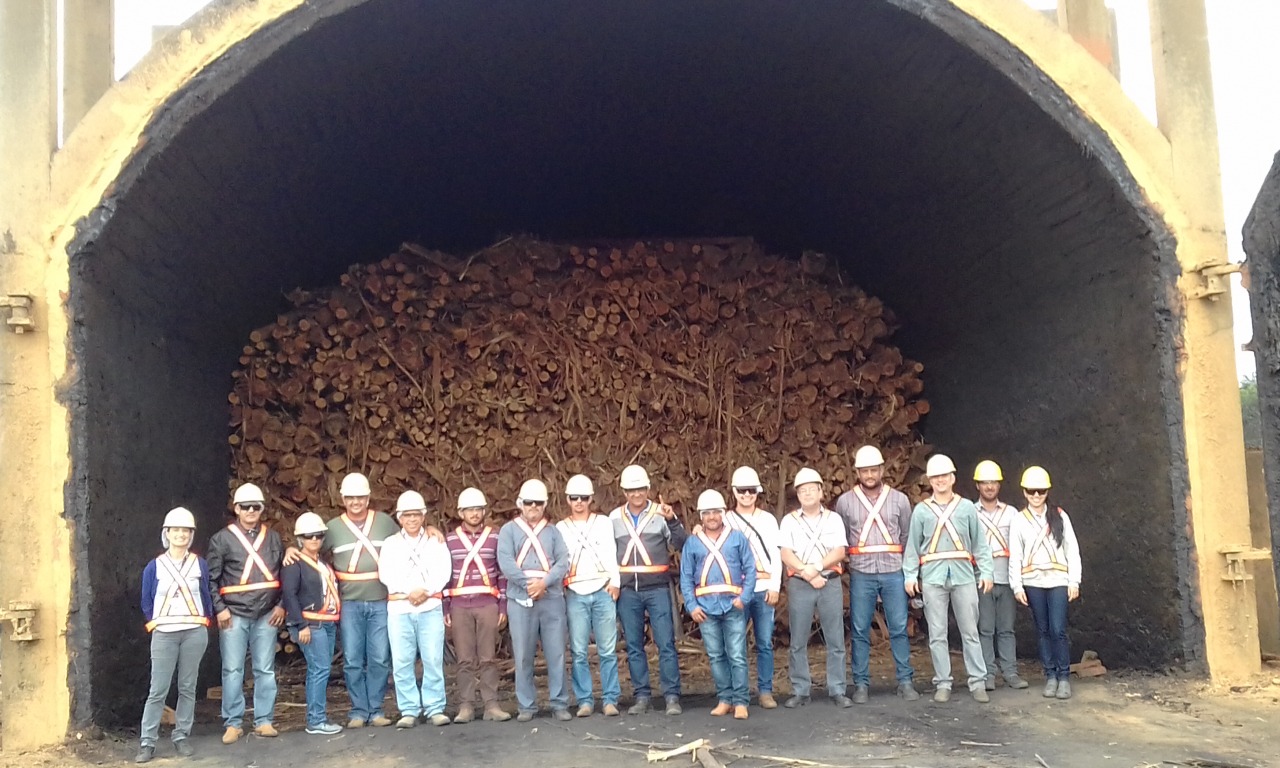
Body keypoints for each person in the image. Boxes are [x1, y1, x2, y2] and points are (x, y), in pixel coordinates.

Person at [903, 455, 994, 703]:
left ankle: (977, 681)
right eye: (935, 477)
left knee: (970, 632)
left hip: (964, 575)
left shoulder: (967, 508)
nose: (940, 480)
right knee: (937, 633)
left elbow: (980, 545)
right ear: (930, 480)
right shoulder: (921, 511)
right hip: (932, 576)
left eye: (944, 476)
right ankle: (943, 682)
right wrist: (910, 575)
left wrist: (986, 571)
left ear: (952, 478)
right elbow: (912, 546)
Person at [834, 445, 919, 703]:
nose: (870, 475)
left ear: (882, 470)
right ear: (858, 472)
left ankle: (905, 681)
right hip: (862, 572)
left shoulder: (900, 500)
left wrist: (906, 567)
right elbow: (843, 535)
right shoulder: (845, 502)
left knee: (898, 627)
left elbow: (906, 535)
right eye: (865, 471)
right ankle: (861, 684)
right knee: (859, 629)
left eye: (874, 470)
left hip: (893, 570)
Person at [206, 483, 284, 743]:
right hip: (234, 613)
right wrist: (220, 609)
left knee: (265, 669)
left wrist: (280, 605)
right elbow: (212, 579)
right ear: (236, 509)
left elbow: (284, 575)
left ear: (261, 509)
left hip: (267, 613)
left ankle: (264, 721)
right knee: (232, 670)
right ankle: (233, 722)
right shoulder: (221, 539)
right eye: (245, 506)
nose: (251, 510)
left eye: (256, 506)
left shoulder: (273, 537)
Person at [136, 507, 213, 764]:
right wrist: (155, 623)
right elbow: (146, 598)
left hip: (193, 631)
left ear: (190, 535)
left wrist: (205, 621)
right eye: (175, 530)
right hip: (165, 633)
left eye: (185, 531)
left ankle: (181, 736)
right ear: (166, 534)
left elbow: (205, 594)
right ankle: (147, 742)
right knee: (158, 689)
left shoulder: (198, 563)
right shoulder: (154, 566)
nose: (180, 535)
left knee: (187, 687)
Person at [609, 464, 688, 715]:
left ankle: (672, 696)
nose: (636, 495)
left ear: (647, 489)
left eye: (640, 489)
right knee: (634, 645)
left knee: (665, 643)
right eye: (631, 490)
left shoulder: (660, 513)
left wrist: (672, 520)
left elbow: (680, 544)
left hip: (657, 588)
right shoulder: (613, 518)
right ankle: (642, 696)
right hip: (628, 590)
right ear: (624, 492)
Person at [324, 472, 400, 728]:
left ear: (368, 498)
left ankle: (376, 709)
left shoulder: (386, 523)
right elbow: (312, 552)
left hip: (380, 600)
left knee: (379, 657)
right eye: (350, 497)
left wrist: (431, 529)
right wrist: (292, 549)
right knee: (353, 659)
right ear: (343, 499)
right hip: (349, 603)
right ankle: (358, 710)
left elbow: (408, 541)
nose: (356, 502)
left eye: (360, 497)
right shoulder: (332, 528)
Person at [497, 479, 572, 722]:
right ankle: (526, 706)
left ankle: (559, 703)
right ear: (520, 503)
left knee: (556, 653)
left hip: (551, 597)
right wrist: (527, 585)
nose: (533, 507)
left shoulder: (553, 532)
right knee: (522, 655)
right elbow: (505, 561)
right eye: (528, 502)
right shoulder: (508, 530)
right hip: (520, 599)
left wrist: (545, 583)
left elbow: (563, 561)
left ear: (544, 505)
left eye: (538, 503)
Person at [778, 467, 852, 708]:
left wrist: (817, 567)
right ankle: (801, 690)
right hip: (801, 584)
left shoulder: (834, 519)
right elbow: (786, 553)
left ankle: (837, 689)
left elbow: (840, 551)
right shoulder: (789, 521)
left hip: (829, 582)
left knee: (835, 640)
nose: (807, 493)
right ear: (797, 494)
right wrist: (808, 574)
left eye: (812, 489)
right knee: (798, 640)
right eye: (802, 490)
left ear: (821, 491)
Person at [379, 491, 453, 728]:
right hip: (400, 608)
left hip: (429, 606)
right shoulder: (391, 544)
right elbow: (385, 573)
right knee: (402, 660)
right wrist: (408, 591)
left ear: (423, 516)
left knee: (432, 658)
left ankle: (434, 707)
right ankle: (409, 709)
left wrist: (426, 590)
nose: (412, 519)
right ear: (400, 517)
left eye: (416, 515)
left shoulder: (435, 541)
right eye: (407, 515)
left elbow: (444, 571)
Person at [680, 490, 757, 720]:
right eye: (707, 513)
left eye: (715, 512)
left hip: (732, 606)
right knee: (715, 656)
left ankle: (741, 701)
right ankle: (725, 698)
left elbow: (750, 569)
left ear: (722, 513)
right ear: (701, 516)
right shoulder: (693, 543)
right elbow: (685, 577)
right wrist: (691, 606)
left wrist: (744, 598)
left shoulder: (737, 538)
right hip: (705, 608)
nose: (712, 516)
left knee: (737, 655)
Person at [1008, 466, 1083, 700]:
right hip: (1033, 581)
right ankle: (1049, 675)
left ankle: (1063, 677)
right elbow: (1016, 555)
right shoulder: (1019, 520)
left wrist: (1075, 581)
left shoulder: (1060, 515)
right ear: (1024, 492)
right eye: (1032, 491)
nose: (1036, 496)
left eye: (1041, 491)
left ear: (1047, 491)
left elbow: (1072, 549)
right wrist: (1017, 585)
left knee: (1058, 629)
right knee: (1042, 630)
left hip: (1058, 579)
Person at [555, 474, 622, 717]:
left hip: (603, 589)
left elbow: (611, 552)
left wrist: (615, 582)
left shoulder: (604, 522)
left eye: (584, 497)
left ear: (591, 498)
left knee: (607, 649)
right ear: (568, 499)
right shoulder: (561, 528)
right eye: (575, 498)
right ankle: (585, 700)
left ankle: (610, 699)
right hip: (575, 591)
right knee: (579, 651)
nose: (579, 502)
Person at [444, 487, 511, 723]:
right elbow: (445, 575)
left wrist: (502, 606)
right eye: (469, 509)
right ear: (461, 513)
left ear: (484, 511)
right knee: (464, 658)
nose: (474, 513)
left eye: (478, 509)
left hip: (487, 603)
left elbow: (502, 574)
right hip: (459, 604)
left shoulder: (496, 536)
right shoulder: (449, 540)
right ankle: (466, 705)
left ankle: (491, 704)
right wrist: (445, 608)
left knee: (488, 657)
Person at [724, 466, 782, 709]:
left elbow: (776, 555)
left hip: (763, 586)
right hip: (737, 589)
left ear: (757, 492)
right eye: (741, 491)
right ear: (734, 492)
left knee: (764, 642)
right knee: (735, 644)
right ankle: (739, 693)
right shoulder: (726, 519)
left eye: (750, 490)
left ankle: (765, 690)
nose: (746, 495)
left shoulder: (767, 520)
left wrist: (775, 585)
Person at [280, 512, 343, 736]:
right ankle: (316, 720)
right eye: (309, 536)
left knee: (319, 670)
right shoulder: (294, 563)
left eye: (318, 535)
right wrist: (300, 624)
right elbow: (289, 594)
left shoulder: (322, 563)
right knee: (320, 670)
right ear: (300, 539)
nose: (314, 540)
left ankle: (317, 717)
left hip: (325, 623)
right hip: (310, 623)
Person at [972, 460, 1029, 691]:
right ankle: (987, 674)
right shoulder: (970, 512)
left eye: (993, 482)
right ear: (978, 485)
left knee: (1006, 628)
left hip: (1006, 578)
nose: (989, 486)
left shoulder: (1011, 513)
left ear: (999, 485)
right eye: (985, 482)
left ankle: (1010, 672)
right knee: (984, 628)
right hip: (981, 578)